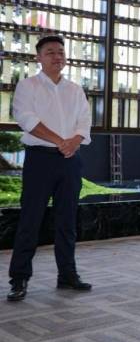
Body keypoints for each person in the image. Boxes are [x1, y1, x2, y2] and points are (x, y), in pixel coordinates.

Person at [7, 35, 92, 302]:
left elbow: (84, 120)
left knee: (67, 220)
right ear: (39, 58)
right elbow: (26, 119)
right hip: (40, 160)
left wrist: (73, 142)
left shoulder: (75, 90)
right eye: (51, 52)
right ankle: (19, 278)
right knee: (30, 220)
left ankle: (67, 274)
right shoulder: (27, 86)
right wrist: (59, 141)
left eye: (61, 52)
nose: (57, 57)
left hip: (70, 160)